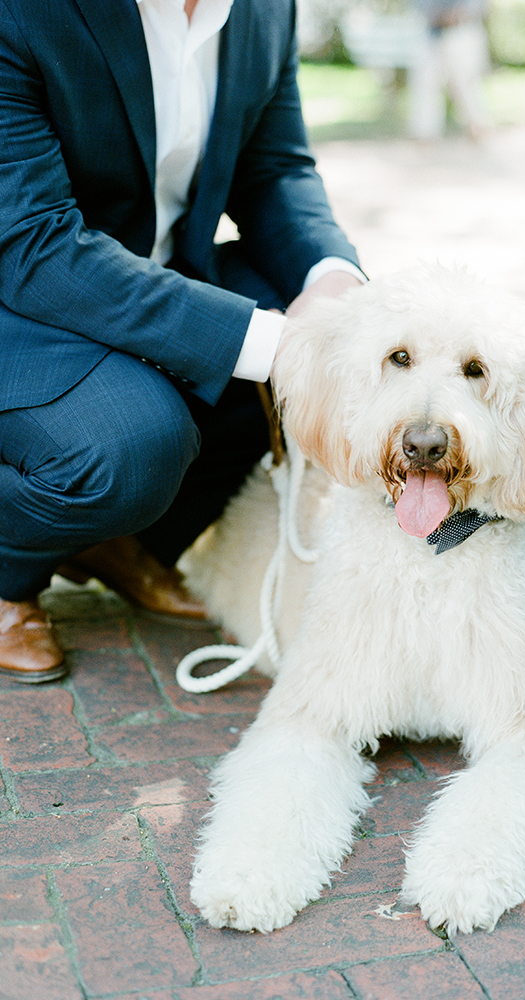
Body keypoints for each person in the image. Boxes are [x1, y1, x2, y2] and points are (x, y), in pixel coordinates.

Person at [0, 0, 362, 684]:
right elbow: (33, 246)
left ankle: (120, 543)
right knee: (133, 447)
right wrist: (270, 345)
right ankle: (8, 575)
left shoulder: (264, 9)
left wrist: (335, 280)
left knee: (350, 339)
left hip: (154, 272)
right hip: (19, 293)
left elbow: (274, 169)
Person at [408, 0, 494, 141]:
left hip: (463, 30)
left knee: (465, 83)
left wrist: (460, 14)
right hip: (432, 32)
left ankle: (476, 126)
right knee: (425, 82)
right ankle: (425, 134)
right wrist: (436, 15)